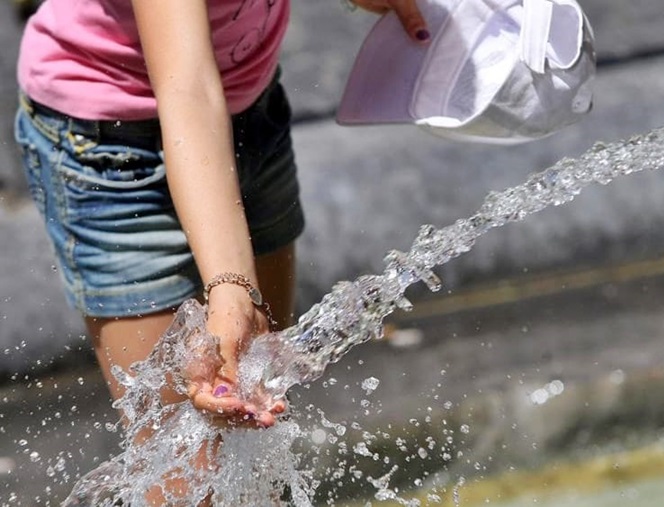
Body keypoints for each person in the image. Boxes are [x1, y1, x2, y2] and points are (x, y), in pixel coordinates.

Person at [14, 0, 429, 500]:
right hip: (113, 151)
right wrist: (232, 290)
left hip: (249, 111)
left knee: (256, 444)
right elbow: (186, 88)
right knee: (186, 485)